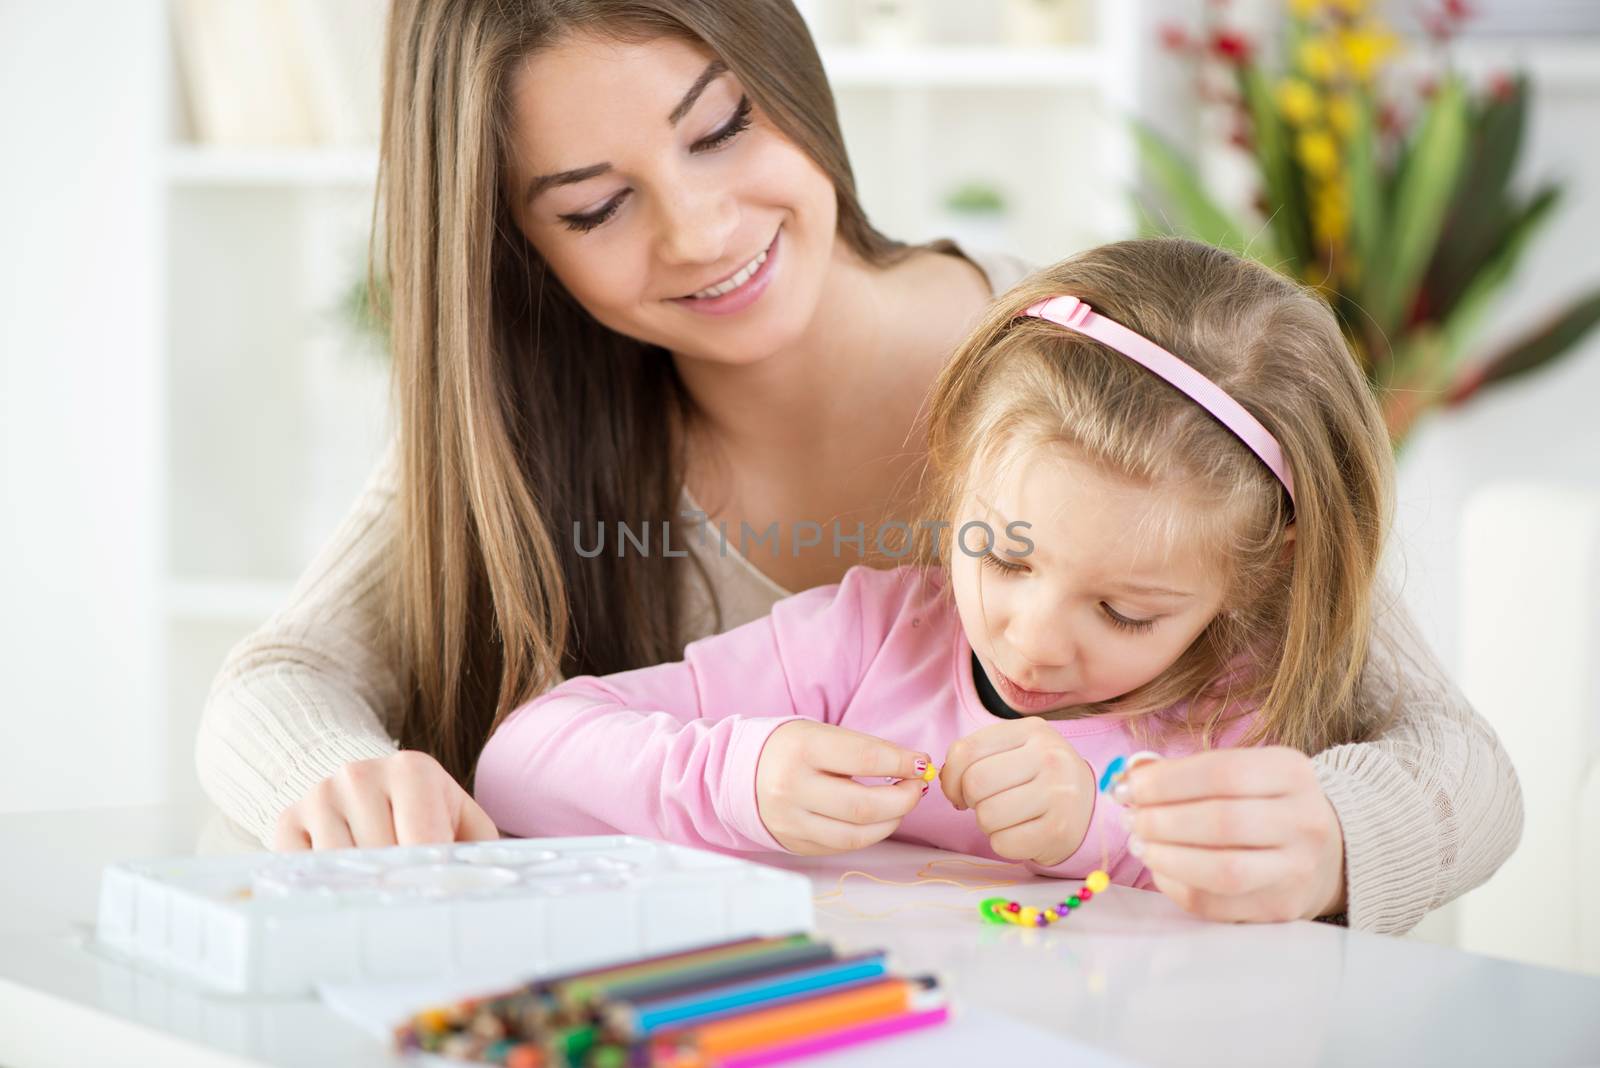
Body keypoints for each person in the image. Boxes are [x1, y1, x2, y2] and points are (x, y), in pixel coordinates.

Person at [196, 0, 1520, 934]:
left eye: (721, 127)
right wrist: (340, 783)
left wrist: (1333, 837)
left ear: (787, 70)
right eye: (598, 206)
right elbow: (283, 683)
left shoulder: (1106, 388)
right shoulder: (519, 446)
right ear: (517, 248)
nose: (704, 228)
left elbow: (1449, 756)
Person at [476, 238, 1399, 917]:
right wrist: (736, 778)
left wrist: (1098, 832)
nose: (1031, 640)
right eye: (1002, 554)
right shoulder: (868, 639)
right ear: (954, 474)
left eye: (1125, 613)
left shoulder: (1243, 717)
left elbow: (1262, 933)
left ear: (1254, 579)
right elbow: (517, 762)